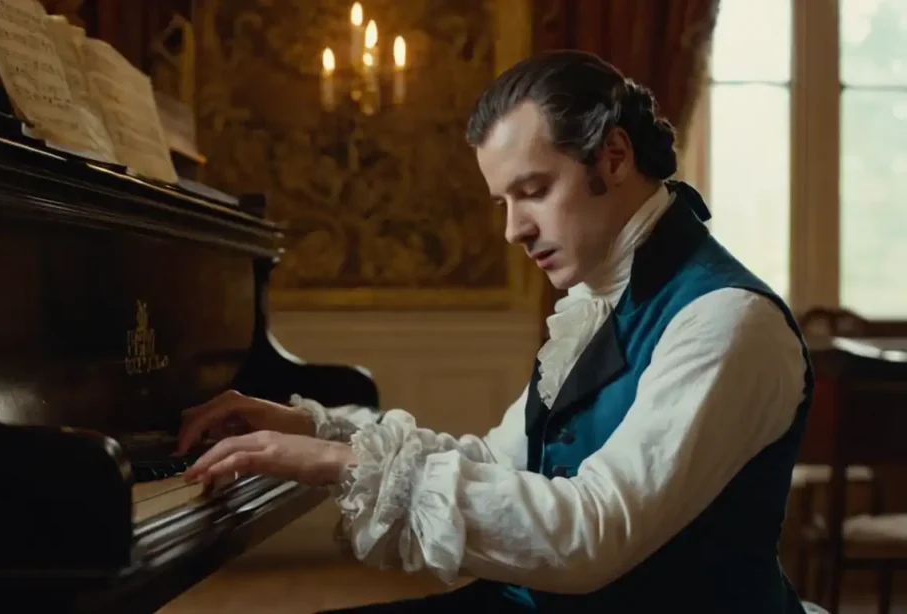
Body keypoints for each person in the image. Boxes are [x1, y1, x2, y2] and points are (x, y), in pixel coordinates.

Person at [177, 50, 813, 613]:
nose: (513, 230)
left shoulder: (727, 320)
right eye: (503, 203)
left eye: (533, 191)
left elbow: (591, 535)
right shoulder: (599, 299)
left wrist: (336, 462)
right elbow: (497, 463)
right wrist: (317, 431)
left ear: (613, 157)